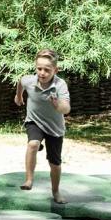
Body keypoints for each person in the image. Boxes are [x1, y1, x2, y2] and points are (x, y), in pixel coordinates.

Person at [14, 49, 71, 204]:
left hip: (55, 128)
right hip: (34, 121)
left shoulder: (60, 85)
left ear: (55, 70)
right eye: (39, 68)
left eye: (47, 70)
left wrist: (58, 104)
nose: (42, 73)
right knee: (33, 144)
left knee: (55, 163)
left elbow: (66, 109)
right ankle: (29, 180)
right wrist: (18, 96)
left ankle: (56, 191)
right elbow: (20, 82)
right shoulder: (29, 81)